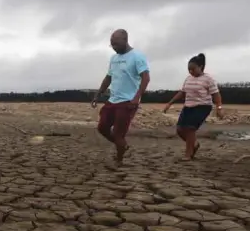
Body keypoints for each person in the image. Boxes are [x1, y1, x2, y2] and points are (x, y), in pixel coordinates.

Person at [91, 29, 150, 166]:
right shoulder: (114, 58)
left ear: (125, 40)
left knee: (118, 133)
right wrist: (98, 93)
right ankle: (122, 145)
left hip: (128, 101)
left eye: (116, 44)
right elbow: (109, 77)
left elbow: (146, 78)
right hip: (113, 100)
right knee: (102, 128)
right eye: (112, 45)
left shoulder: (137, 56)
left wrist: (137, 98)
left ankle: (119, 160)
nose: (114, 47)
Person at [163, 53, 224, 161]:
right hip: (188, 106)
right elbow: (182, 93)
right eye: (189, 69)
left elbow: (216, 95)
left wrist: (219, 109)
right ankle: (194, 144)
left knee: (190, 129)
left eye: (193, 69)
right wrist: (169, 103)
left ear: (200, 67)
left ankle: (188, 154)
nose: (191, 72)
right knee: (180, 130)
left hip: (202, 107)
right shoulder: (188, 79)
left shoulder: (208, 79)